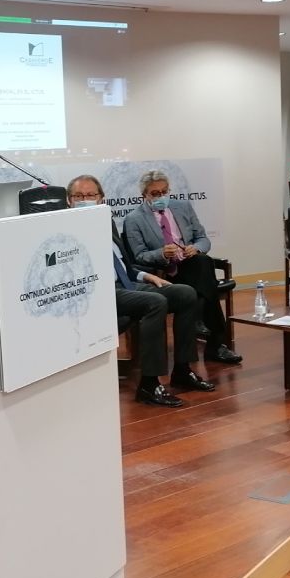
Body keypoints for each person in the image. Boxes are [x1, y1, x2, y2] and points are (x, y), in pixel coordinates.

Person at [66, 174, 214, 408]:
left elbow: (123, 263)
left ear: (101, 198)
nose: (85, 200)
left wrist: (146, 275)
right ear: (69, 200)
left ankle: (183, 371)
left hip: (126, 283)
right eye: (79, 196)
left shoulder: (106, 221)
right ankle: (149, 383)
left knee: (185, 294)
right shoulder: (64, 228)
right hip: (98, 291)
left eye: (90, 195)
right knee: (155, 302)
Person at [121, 170, 242, 365]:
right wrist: (161, 253)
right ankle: (216, 344)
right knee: (206, 280)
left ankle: (198, 317)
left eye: (164, 192)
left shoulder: (183, 207)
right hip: (164, 272)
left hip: (190, 264)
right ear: (144, 195)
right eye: (155, 194)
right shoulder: (134, 219)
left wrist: (196, 248)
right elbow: (138, 255)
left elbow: (203, 238)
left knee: (202, 261)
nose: (161, 197)